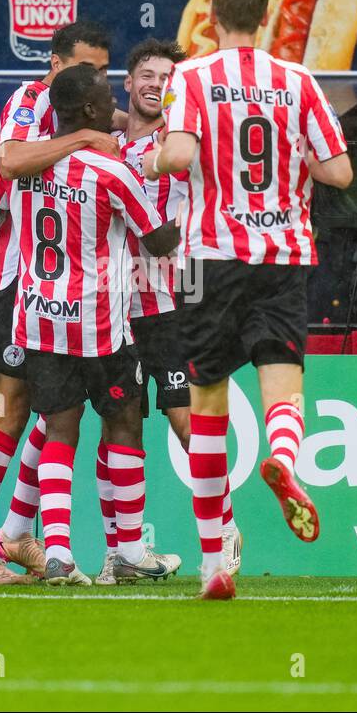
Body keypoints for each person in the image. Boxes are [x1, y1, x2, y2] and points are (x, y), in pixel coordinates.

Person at [154, 0, 354, 600]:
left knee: (208, 407)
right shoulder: (297, 81)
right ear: (266, 18)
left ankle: (215, 561)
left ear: (211, 18)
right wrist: (294, 164)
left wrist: (157, 156)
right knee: (282, 382)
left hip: (206, 258)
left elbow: (180, 157)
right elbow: (341, 173)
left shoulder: (189, 77)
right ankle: (286, 462)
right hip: (283, 253)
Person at [0, 21, 123, 585]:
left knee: (59, 406)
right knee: (11, 405)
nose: (91, 80)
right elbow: (12, 164)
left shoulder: (90, 113)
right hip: (11, 281)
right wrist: (85, 140)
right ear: (53, 64)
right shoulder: (28, 101)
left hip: (65, 297)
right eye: (82, 69)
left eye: (99, 71)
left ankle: (19, 533)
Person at [9, 63, 182, 585]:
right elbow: (155, 242)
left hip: (41, 319)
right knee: (124, 423)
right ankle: (129, 551)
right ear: (87, 110)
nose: (116, 106)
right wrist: (187, 218)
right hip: (100, 322)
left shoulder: (25, 163)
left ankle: (58, 554)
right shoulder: (111, 172)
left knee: (59, 428)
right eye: (108, 97)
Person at [88, 37, 236, 585]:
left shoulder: (183, 147)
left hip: (173, 299)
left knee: (183, 419)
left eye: (166, 78)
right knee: (116, 423)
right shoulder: (106, 144)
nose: (155, 84)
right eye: (146, 75)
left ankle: (221, 528)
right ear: (127, 83)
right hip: (113, 305)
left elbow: (181, 231)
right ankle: (121, 553)